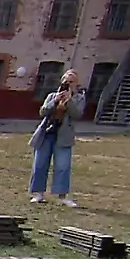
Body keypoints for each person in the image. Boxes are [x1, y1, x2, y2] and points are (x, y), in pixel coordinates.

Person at [29, 68, 85, 208]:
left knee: (62, 166)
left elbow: (77, 115)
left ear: (76, 84)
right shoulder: (52, 96)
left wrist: (69, 101)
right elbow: (43, 111)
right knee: (40, 164)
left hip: (64, 135)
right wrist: (55, 101)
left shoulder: (79, 98)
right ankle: (38, 194)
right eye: (66, 81)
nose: (68, 84)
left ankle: (62, 196)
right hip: (47, 133)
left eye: (72, 82)